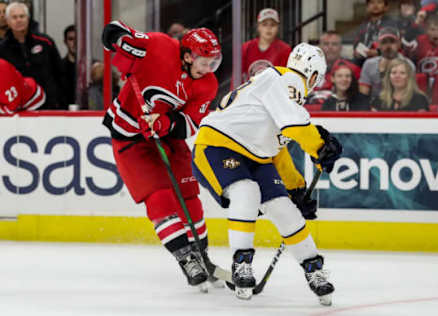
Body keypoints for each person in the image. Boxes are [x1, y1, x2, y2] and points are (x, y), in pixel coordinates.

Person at [192, 43, 342, 302]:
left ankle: (314, 269)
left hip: (255, 155)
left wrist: (295, 188)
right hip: (218, 145)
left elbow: (277, 149)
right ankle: (242, 264)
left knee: (285, 208)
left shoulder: (279, 88)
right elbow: (296, 128)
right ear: (315, 76)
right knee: (246, 191)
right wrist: (320, 146)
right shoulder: (284, 81)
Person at [101, 21, 224, 291]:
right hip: (130, 137)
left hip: (168, 139)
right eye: (205, 62)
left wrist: (164, 124)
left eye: (214, 62)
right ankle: (186, 259)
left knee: (190, 198)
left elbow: (191, 123)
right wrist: (118, 41)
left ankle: (202, 255)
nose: (209, 69)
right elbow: (117, 31)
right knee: (160, 198)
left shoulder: (208, 84)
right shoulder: (160, 45)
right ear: (188, 55)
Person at [0, 2, 65, 109]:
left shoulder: (46, 42)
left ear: (28, 18)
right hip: (19, 108)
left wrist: (61, 103)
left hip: (50, 106)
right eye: (14, 17)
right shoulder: (2, 49)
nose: (19, 20)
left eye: (22, 16)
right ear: (7, 21)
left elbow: (60, 74)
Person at [359, 26, 415, 99]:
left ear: (399, 44)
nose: (388, 46)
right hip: (374, 106)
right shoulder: (369, 64)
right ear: (378, 45)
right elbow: (363, 95)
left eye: (392, 42)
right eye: (384, 42)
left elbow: (410, 95)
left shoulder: (408, 65)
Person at [240, 8, 291, 83]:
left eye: (273, 25)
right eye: (264, 24)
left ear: (278, 28)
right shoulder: (246, 48)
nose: (269, 28)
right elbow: (237, 76)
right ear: (258, 27)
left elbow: (286, 78)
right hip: (250, 91)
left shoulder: (285, 50)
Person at [353, 0, 397, 66]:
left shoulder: (391, 24)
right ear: (367, 7)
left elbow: (395, 46)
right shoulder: (364, 25)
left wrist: (377, 52)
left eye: (379, 2)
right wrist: (357, 52)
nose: (375, 5)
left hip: (385, 62)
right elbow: (356, 44)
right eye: (372, 2)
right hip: (363, 62)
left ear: (386, 7)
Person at [62, 24, 76, 105]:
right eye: (71, 39)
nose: (74, 42)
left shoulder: (92, 67)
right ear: (65, 42)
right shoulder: (59, 67)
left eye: (77, 39)